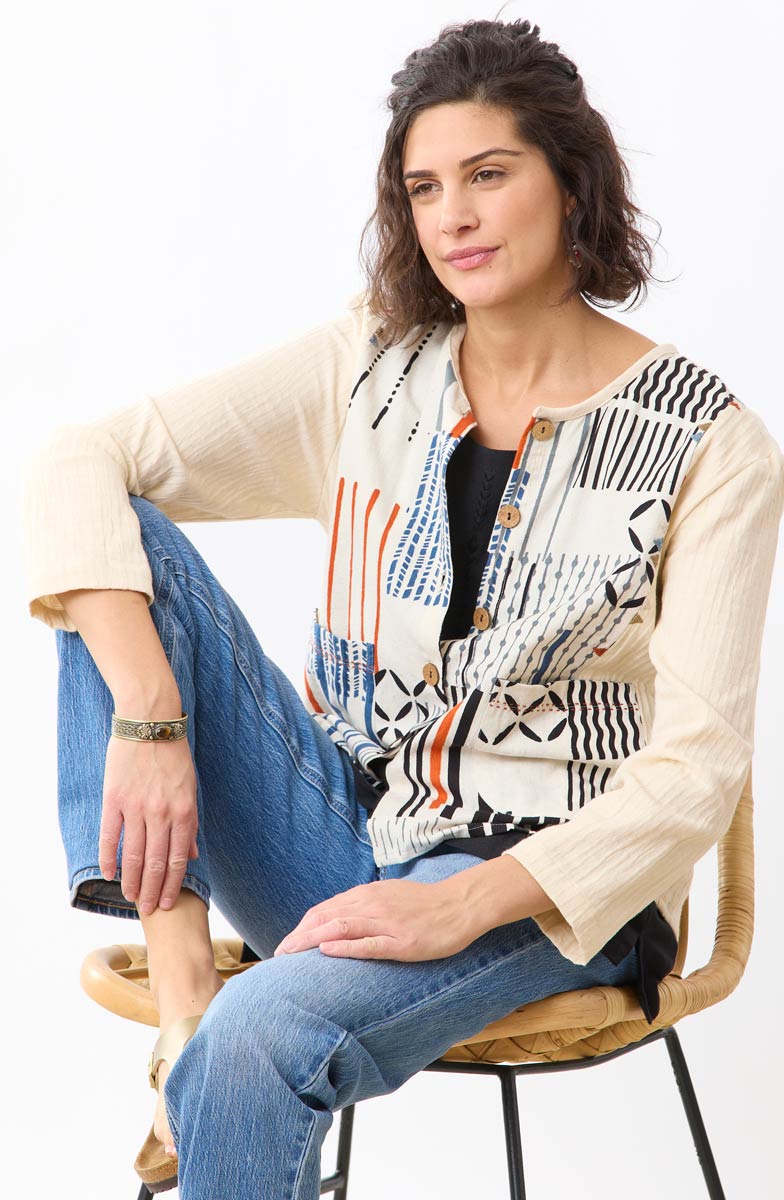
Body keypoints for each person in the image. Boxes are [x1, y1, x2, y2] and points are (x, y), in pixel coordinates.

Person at [21, 17, 784, 1200]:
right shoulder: (370, 368)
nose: (454, 218)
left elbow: (693, 774)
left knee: (264, 1036)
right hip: (359, 835)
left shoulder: (711, 446)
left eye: (489, 175)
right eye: (425, 187)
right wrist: (150, 716)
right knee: (126, 554)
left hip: (554, 893)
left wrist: (463, 906)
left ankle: (216, 1052)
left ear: (571, 184)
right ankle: (185, 1027)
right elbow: (77, 462)